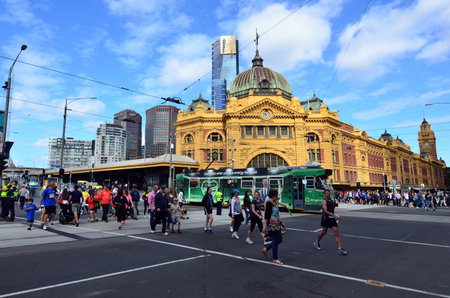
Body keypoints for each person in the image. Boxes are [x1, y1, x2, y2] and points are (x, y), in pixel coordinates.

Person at [314, 189, 348, 256]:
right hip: (326, 218)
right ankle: (317, 241)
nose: (327, 194)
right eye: (326, 193)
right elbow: (325, 211)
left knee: (336, 232)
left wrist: (338, 202)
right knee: (324, 232)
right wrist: (335, 216)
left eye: (328, 193)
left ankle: (339, 249)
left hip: (332, 218)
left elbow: (335, 205)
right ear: (324, 194)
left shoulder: (331, 200)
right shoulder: (324, 201)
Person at [261, 188, 286, 265]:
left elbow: (276, 215)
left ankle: (266, 248)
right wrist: (264, 226)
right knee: (276, 240)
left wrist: (281, 223)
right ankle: (275, 259)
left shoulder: (275, 203)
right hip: (272, 224)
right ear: (272, 196)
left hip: (277, 223)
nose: (277, 197)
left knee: (279, 240)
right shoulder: (269, 203)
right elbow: (266, 216)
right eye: (276, 196)